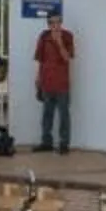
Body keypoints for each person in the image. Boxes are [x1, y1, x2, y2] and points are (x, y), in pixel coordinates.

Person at [33, 12, 76, 154]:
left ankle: (64, 144)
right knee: (47, 114)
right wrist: (38, 79)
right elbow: (40, 59)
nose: (55, 26)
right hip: (46, 82)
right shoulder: (43, 36)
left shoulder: (68, 36)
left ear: (61, 22)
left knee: (64, 115)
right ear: (48, 24)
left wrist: (59, 42)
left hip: (62, 84)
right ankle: (46, 142)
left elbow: (67, 58)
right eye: (52, 23)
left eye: (58, 22)